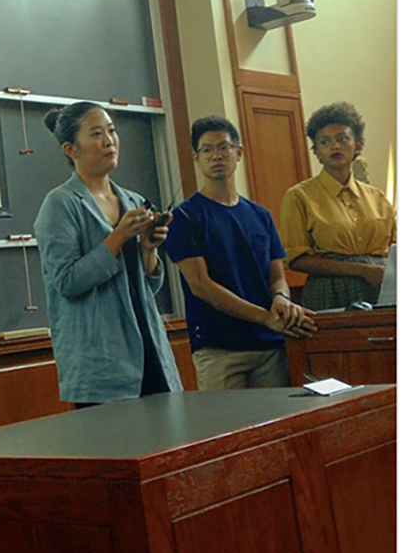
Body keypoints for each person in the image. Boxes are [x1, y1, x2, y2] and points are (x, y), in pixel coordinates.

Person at [33, 101, 182, 405]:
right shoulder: (60, 204)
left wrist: (148, 251)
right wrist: (117, 238)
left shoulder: (132, 199)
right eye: (97, 134)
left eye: (112, 131)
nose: (109, 140)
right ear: (70, 149)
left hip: (149, 348)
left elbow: (148, 286)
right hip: (101, 364)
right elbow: (67, 282)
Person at [164, 115, 316, 391]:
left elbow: (276, 277)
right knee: (228, 429)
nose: (216, 156)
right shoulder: (185, 217)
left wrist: (281, 298)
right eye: (207, 150)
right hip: (219, 349)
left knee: (276, 428)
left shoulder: (260, 215)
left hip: (271, 346)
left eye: (224, 147)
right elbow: (201, 286)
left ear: (239, 153)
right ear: (196, 158)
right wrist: (265, 318)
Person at [279, 101, 396, 309]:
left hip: (380, 285)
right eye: (324, 142)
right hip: (329, 289)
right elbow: (296, 260)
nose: (334, 146)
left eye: (342, 139)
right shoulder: (299, 197)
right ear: (317, 152)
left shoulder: (377, 197)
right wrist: (361, 270)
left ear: (357, 145)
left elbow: (395, 251)